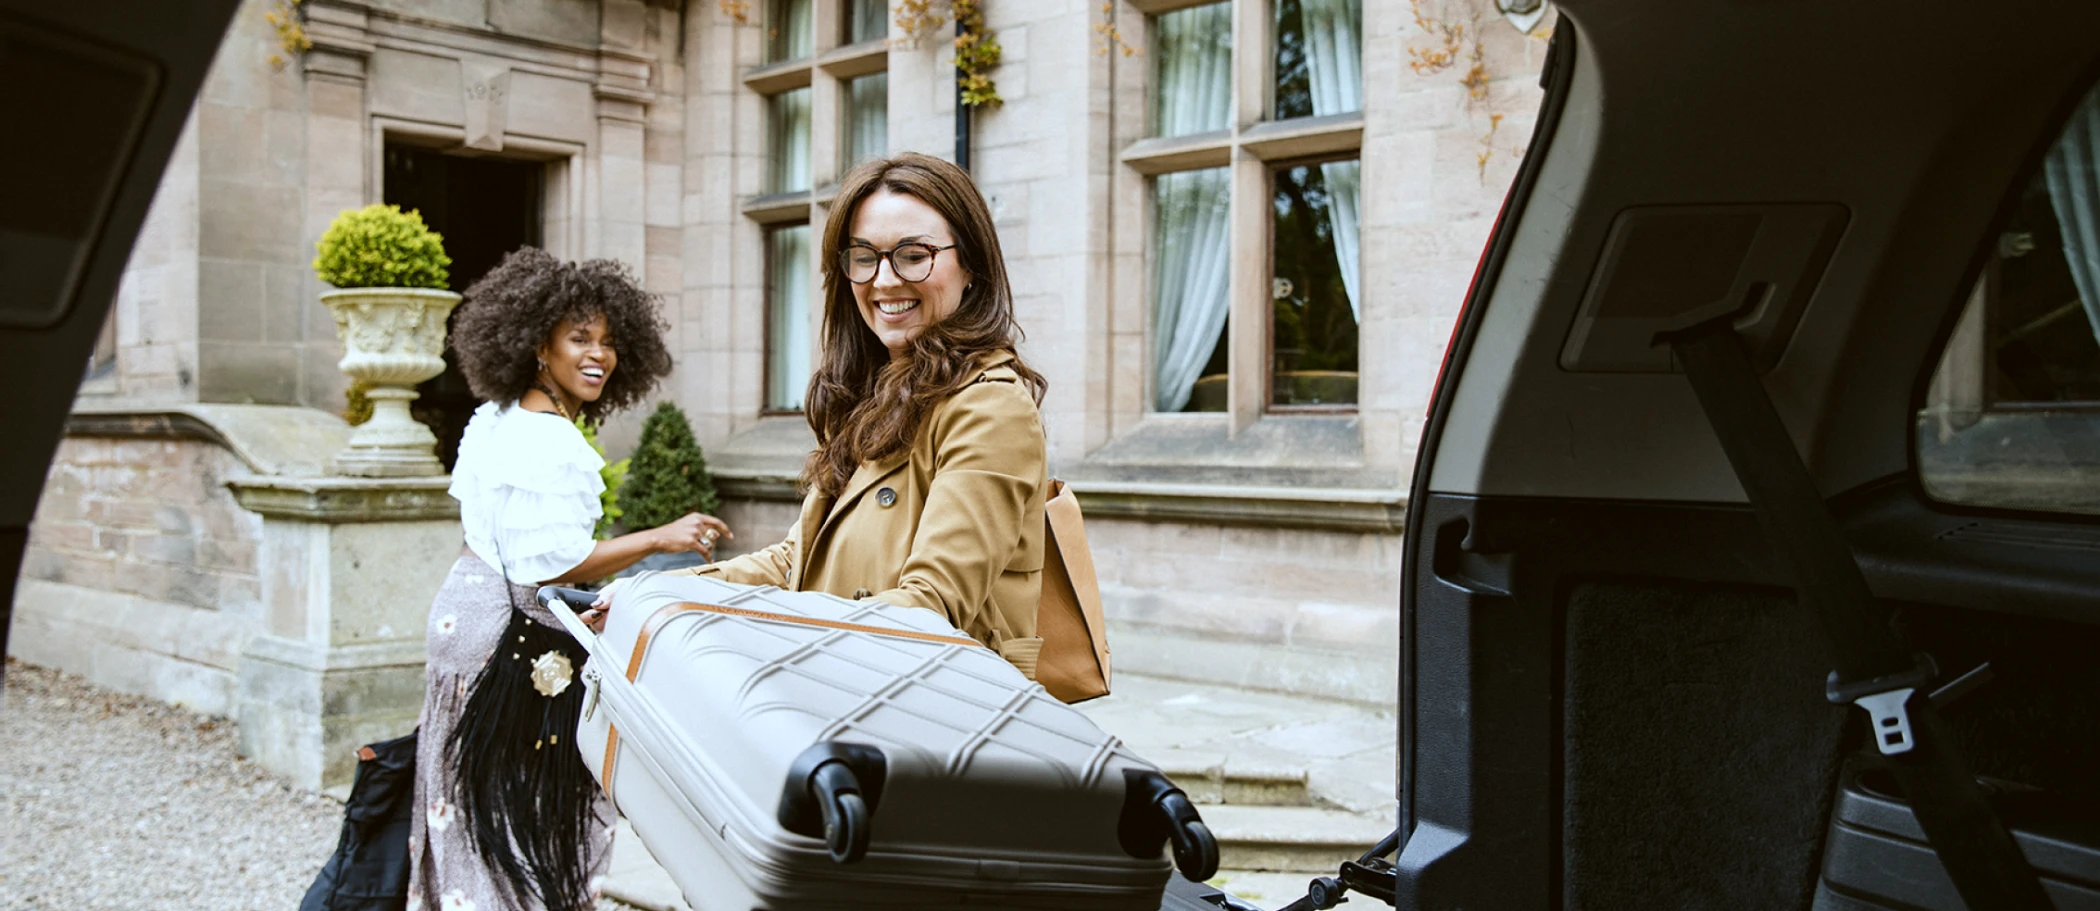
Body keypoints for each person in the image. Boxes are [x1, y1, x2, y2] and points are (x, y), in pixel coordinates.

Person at [609, 152, 1051, 679]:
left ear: (971, 265)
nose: (884, 280)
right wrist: (661, 592)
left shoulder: (987, 405)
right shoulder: (871, 396)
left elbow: (932, 607)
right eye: (864, 256)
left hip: (936, 718)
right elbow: (797, 559)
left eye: (914, 254)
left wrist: (756, 628)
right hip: (850, 694)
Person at [411, 248, 730, 911]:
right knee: (527, 821)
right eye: (579, 337)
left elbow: (490, 533)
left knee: (470, 810)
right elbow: (546, 564)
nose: (599, 354)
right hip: (505, 637)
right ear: (537, 344)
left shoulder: (497, 416)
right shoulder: (551, 442)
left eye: (610, 341)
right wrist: (661, 536)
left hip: (463, 609)